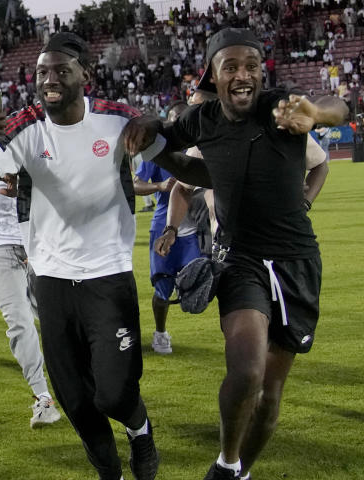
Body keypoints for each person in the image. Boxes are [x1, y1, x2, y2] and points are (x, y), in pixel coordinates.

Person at [125, 27, 349, 480]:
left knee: (270, 392)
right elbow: (184, 161)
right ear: (215, 73)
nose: (243, 74)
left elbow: (340, 106)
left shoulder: (281, 107)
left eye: (251, 65)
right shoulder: (201, 120)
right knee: (247, 372)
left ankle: (241, 472)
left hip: (296, 261)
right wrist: (148, 134)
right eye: (232, 66)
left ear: (261, 73)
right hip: (241, 259)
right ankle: (227, 460)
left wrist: (317, 114)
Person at [0, 33, 169, 480]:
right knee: (73, 395)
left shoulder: (116, 120)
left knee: (113, 392)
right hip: (49, 278)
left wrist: (155, 121)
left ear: (84, 75)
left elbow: (168, 145)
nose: (49, 80)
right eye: (42, 72)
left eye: (60, 70)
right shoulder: (24, 126)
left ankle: (140, 430)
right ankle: (109, 469)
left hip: (108, 275)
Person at [0, 93, 60, 428]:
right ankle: (42, 397)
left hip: (38, 239)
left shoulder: (24, 142)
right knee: (18, 320)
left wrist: (25, 189)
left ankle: (79, 382)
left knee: (57, 318)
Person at [132, 101, 203, 355]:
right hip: (163, 225)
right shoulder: (158, 153)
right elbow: (135, 184)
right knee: (163, 289)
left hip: (197, 228)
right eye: (175, 120)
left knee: (203, 282)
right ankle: (161, 333)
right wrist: (160, 187)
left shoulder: (202, 149)